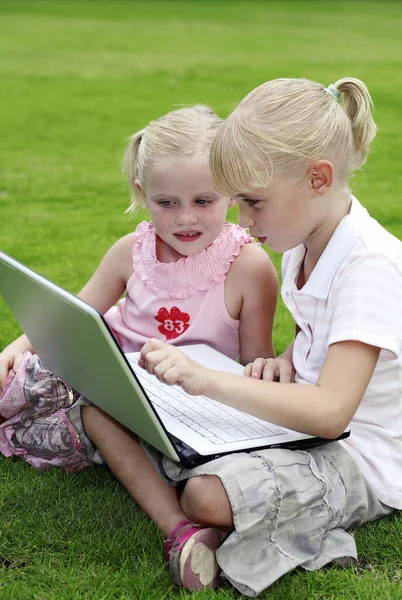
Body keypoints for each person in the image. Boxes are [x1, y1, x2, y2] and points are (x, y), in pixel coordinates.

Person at [136, 78, 402, 596]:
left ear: (318, 178)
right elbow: (327, 341)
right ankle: (205, 526)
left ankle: (220, 528)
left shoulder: (369, 266)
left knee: (207, 493)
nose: (244, 221)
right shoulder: (304, 241)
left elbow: (331, 412)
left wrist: (207, 381)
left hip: (365, 458)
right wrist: (286, 358)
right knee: (154, 426)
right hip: (308, 431)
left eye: (254, 203)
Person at [0, 105, 278, 585]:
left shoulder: (250, 268)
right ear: (141, 193)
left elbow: (254, 361)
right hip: (112, 383)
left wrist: (266, 372)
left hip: (187, 401)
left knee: (94, 417)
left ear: (230, 193)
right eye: (166, 202)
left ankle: (179, 531)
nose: (185, 217)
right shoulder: (131, 251)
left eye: (203, 200)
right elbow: (74, 317)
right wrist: (16, 346)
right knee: (29, 389)